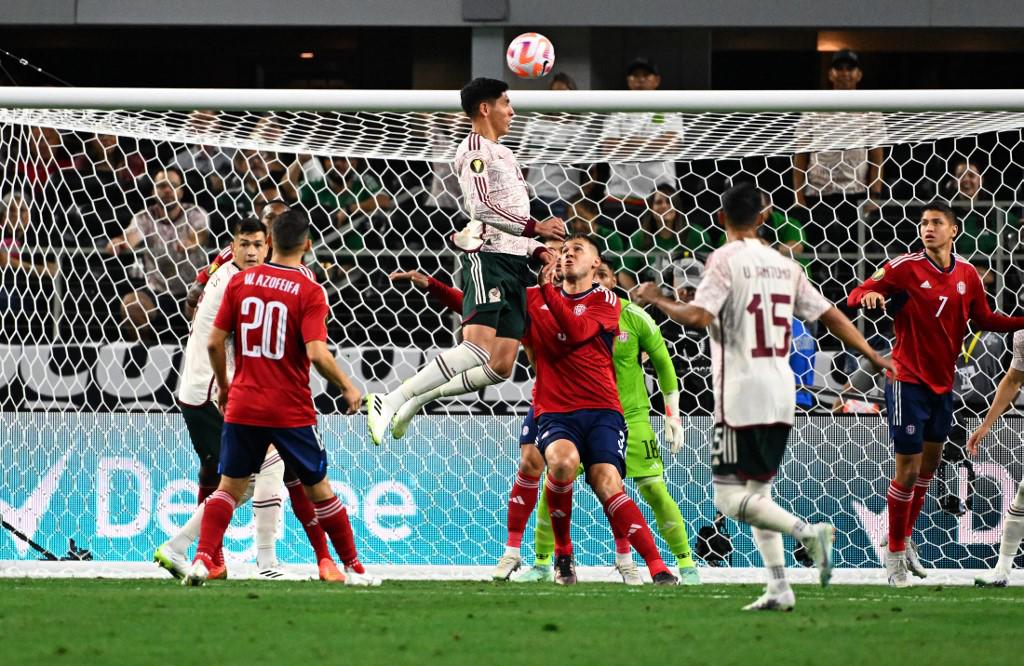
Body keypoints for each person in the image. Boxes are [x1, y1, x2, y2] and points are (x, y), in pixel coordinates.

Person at [635, 182, 891, 610]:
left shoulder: (724, 259)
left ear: (720, 219)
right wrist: (871, 355)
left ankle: (808, 533)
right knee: (759, 494)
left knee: (729, 498)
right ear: (763, 215)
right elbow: (829, 314)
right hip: (781, 389)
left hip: (740, 390)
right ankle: (779, 587)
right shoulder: (783, 265)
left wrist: (657, 300)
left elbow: (698, 316)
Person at [395, 254, 697, 585]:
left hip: (613, 411)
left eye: (573, 252)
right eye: (559, 255)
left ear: (598, 270)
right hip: (553, 407)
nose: (563, 259)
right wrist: (435, 287)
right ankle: (547, 558)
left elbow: (593, 335)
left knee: (625, 484)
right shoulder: (535, 300)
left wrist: (673, 414)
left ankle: (657, 563)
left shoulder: (614, 306)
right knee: (551, 467)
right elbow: (488, 316)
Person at [366, 77, 564, 445]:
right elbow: (482, 207)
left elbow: (507, 219)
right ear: (486, 108)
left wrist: (536, 250)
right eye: (506, 103)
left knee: (502, 365)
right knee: (474, 349)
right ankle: (389, 398)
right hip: (487, 260)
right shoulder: (474, 150)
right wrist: (537, 228)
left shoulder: (503, 151)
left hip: (514, 264)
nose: (512, 111)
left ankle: (418, 399)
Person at [183, 210, 375, 586]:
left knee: (228, 487)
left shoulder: (242, 282)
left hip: (243, 403)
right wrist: (348, 387)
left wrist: (224, 385)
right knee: (318, 488)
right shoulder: (309, 288)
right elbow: (318, 354)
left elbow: (213, 340)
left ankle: (202, 560)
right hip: (289, 407)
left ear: (270, 241)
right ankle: (352, 568)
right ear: (306, 244)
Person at [847, 200, 1024, 588]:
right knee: (907, 470)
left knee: (928, 470)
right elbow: (857, 292)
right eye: (924, 223)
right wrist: (871, 297)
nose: (928, 229)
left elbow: (984, 319)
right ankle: (893, 555)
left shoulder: (968, 275)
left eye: (936, 223)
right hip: (906, 380)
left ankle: (904, 540)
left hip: (944, 386)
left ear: (953, 230)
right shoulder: (903, 267)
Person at [156, 217, 305, 581]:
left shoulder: (224, 267)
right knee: (263, 467)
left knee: (215, 472)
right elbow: (240, 340)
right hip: (209, 393)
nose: (252, 251)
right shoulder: (238, 283)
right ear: (235, 244)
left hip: (195, 389)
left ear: (269, 242)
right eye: (245, 244)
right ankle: (256, 559)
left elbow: (198, 293)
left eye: (258, 244)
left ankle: (212, 558)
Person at [792, 49, 885, 253]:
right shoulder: (814, 107)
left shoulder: (870, 108)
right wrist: (798, 196)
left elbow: (877, 157)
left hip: (855, 193)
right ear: (831, 74)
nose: (844, 73)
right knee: (819, 250)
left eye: (850, 68)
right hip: (818, 193)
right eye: (839, 68)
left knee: (853, 251)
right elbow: (800, 156)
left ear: (858, 74)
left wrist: (874, 194)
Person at [106, 167, 209, 342]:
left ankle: (197, 355)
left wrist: (191, 242)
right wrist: (119, 243)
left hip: (193, 289)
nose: (167, 190)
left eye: (173, 185)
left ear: (181, 192)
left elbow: (200, 233)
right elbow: (131, 235)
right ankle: (146, 352)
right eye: (162, 185)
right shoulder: (145, 217)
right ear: (154, 191)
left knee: (208, 306)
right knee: (132, 305)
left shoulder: (195, 213)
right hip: (158, 290)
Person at [966, 330, 1024, 587]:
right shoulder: (1022, 336)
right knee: (1023, 494)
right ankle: (1001, 569)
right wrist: (986, 425)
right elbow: (1012, 380)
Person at [600, 58, 682, 235]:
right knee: (615, 253)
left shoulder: (668, 107)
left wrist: (627, 144)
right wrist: (653, 143)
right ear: (628, 81)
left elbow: (670, 145)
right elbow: (609, 148)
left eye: (646, 75)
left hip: (660, 199)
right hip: (621, 196)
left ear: (657, 80)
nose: (640, 80)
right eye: (635, 75)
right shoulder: (617, 108)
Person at [619, 185, 710, 290]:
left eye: (669, 201)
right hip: (654, 301)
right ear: (650, 208)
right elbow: (624, 274)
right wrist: (636, 296)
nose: (665, 206)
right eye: (658, 202)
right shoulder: (640, 237)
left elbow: (710, 270)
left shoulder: (696, 234)